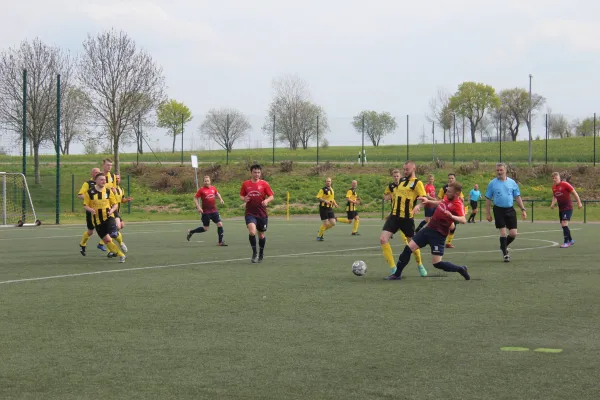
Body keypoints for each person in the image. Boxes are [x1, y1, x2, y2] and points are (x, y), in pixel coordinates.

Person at [385, 182, 470, 281]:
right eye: (447, 190)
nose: (446, 192)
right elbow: (441, 202)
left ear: (457, 194)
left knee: (437, 264)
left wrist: (452, 216)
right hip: (428, 229)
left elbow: (463, 220)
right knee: (408, 249)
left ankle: (460, 269)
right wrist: (428, 201)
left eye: (449, 191)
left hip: (439, 235)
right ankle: (397, 274)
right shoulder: (448, 197)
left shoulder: (458, 204)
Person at [380, 162, 428, 277]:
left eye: (407, 169)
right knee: (383, 239)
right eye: (404, 169)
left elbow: (425, 199)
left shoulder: (418, 183)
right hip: (394, 216)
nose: (405, 171)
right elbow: (393, 196)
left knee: (412, 244)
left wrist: (418, 206)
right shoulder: (401, 181)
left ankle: (420, 264)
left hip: (407, 218)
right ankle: (393, 269)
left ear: (414, 168)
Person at [485, 163, 527, 262]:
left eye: (501, 170)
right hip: (498, 210)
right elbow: (488, 199)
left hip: (510, 209)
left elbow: (517, 197)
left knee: (513, 233)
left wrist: (523, 209)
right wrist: (488, 213)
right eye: (497, 170)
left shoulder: (512, 183)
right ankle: (505, 254)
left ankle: (503, 246)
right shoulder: (492, 183)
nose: (499, 172)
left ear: (505, 171)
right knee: (503, 232)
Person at [82, 173, 126, 263]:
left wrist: (112, 210)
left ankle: (121, 243)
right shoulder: (89, 193)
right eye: (101, 179)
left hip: (109, 217)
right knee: (107, 240)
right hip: (97, 221)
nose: (104, 181)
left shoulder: (108, 191)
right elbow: (85, 205)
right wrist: (91, 210)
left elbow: (115, 204)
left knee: (113, 234)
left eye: (105, 180)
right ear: (96, 181)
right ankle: (121, 255)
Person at [240, 164, 274, 263]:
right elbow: (241, 195)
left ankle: (261, 254)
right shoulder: (245, 184)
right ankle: (254, 253)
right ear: (251, 173)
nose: (257, 174)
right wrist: (244, 199)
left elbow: (271, 196)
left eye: (258, 172)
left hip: (262, 213)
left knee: (261, 236)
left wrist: (267, 201)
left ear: (260, 173)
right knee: (252, 232)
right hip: (250, 213)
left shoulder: (264, 184)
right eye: (255, 172)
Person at [187, 175, 228, 246]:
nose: (206, 182)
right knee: (205, 228)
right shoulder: (201, 190)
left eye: (207, 181)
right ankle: (191, 232)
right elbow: (195, 198)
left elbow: (217, 193)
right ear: (203, 182)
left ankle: (220, 242)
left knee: (220, 224)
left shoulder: (213, 188)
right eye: (205, 181)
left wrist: (221, 199)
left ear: (210, 181)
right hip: (206, 212)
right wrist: (198, 207)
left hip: (214, 211)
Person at [78, 167, 107, 255]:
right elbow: (80, 195)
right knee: (90, 231)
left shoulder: (103, 183)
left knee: (107, 229)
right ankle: (82, 244)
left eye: (98, 172)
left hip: (103, 211)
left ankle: (106, 247)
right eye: (95, 172)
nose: (97, 173)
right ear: (92, 174)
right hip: (91, 211)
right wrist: (90, 199)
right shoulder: (88, 183)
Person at [550, 172, 582, 248]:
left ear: (559, 178)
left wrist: (579, 202)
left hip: (568, 208)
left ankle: (566, 242)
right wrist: (552, 204)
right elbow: (555, 197)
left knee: (564, 223)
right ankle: (570, 240)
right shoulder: (553, 187)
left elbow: (574, 192)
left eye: (556, 178)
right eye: (553, 178)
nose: (554, 179)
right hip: (561, 209)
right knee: (563, 225)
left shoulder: (565, 184)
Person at [106, 174, 133, 257]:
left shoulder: (121, 189)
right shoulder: (110, 189)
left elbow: (121, 200)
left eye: (118, 178)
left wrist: (126, 200)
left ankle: (118, 243)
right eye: (116, 178)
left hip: (116, 212)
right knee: (115, 228)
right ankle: (112, 249)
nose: (117, 180)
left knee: (121, 226)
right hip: (110, 212)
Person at [437, 173, 465, 248]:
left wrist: (462, 202)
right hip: (444, 210)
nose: (451, 179)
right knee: (445, 227)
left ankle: (448, 242)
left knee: (453, 227)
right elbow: (439, 199)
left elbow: (461, 198)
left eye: (452, 178)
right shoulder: (443, 188)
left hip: (454, 211)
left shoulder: (457, 188)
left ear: (455, 179)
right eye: (449, 178)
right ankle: (439, 240)